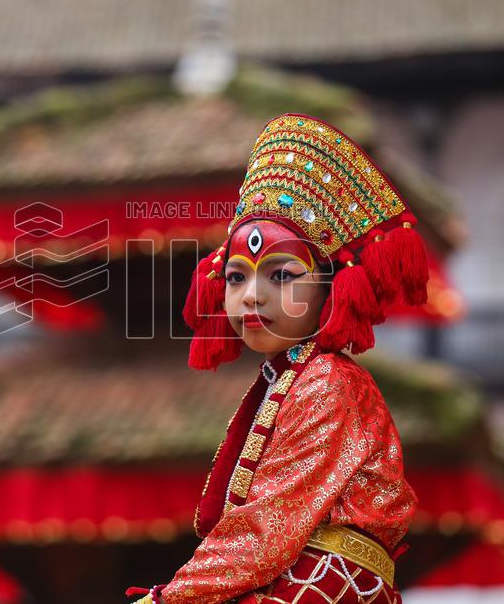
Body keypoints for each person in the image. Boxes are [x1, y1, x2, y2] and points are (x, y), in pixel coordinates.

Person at [126, 113, 428, 603]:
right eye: (236, 277)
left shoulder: (329, 382)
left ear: (331, 286)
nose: (251, 297)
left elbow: (267, 531)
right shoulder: (291, 376)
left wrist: (163, 600)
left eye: (282, 276)